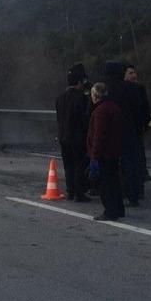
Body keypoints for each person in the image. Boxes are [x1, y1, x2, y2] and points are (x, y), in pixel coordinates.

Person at [102, 61, 142, 206]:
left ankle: (113, 197)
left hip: (109, 133)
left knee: (109, 166)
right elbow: (139, 110)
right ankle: (133, 196)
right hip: (128, 131)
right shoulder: (131, 88)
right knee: (130, 164)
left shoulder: (103, 88)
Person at [87, 82, 125, 221]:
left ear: (96, 95)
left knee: (106, 184)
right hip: (114, 151)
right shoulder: (114, 107)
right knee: (114, 181)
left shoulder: (100, 111)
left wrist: (94, 155)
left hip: (104, 153)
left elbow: (99, 135)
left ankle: (110, 211)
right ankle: (118, 208)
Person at [56, 63, 91, 202]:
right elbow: (85, 119)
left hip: (64, 136)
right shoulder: (81, 98)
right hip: (78, 137)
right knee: (79, 165)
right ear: (79, 82)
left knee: (68, 165)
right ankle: (79, 193)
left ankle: (70, 191)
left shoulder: (60, 98)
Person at [124, 64, 151, 185]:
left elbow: (145, 107)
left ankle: (142, 172)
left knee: (140, 150)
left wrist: (145, 122)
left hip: (138, 125)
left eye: (134, 73)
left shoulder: (140, 88)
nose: (134, 75)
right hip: (127, 127)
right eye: (130, 73)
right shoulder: (122, 89)